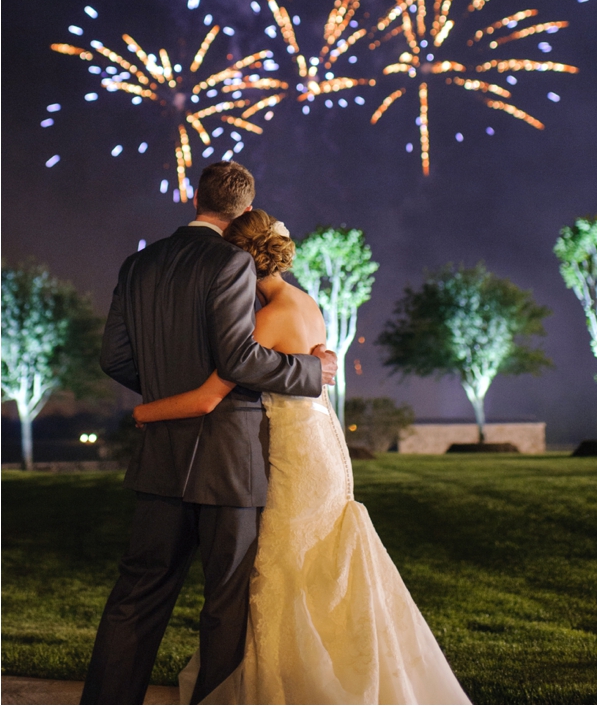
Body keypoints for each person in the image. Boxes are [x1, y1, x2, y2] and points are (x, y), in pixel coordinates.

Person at [134, 208, 472, 706]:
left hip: (297, 459)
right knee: (315, 565)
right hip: (321, 446)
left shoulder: (268, 318)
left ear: (240, 262)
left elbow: (210, 397)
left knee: (285, 568)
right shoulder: (304, 302)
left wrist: (145, 412)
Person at [80, 162, 337, 706]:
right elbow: (240, 359)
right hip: (230, 459)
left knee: (138, 594)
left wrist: (165, 394)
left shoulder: (138, 263)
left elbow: (115, 358)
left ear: (194, 199)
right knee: (226, 603)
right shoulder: (234, 262)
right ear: (245, 211)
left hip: (161, 457)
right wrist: (313, 372)